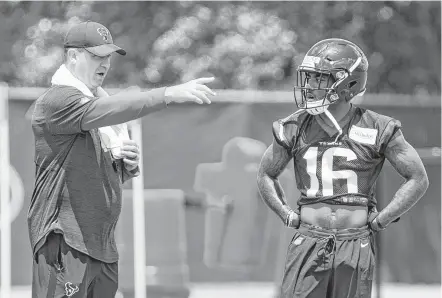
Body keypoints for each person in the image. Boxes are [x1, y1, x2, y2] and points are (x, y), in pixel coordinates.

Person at [28, 21, 216, 298]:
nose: (104, 63)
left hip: (100, 247)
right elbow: (111, 108)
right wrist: (166, 93)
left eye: (108, 57)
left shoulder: (94, 103)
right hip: (65, 242)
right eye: (96, 56)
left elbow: (92, 174)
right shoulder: (58, 99)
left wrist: (122, 166)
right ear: (73, 56)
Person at [257, 38, 429, 298]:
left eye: (319, 78)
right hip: (308, 240)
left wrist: (383, 219)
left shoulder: (378, 127)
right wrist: (285, 213)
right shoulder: (292, 126)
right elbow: (266, 174)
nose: (310, 85)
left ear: (348, 83)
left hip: (355, 241)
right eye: (310, 77)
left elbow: (418, 178)